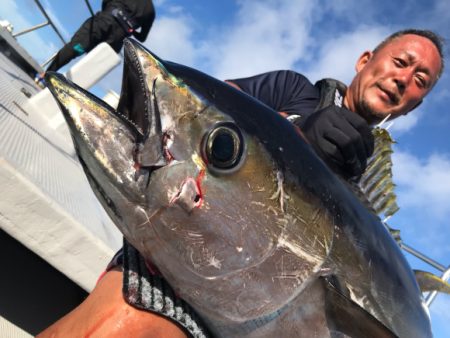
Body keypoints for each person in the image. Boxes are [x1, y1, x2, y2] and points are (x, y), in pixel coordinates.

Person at [37, 29, 444, 337]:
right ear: (365, 59)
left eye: (420, 79)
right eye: (400, 62)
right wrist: (298, 133)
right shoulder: (293, 89)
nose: (403, 78)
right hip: (178, 263)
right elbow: (212, 103)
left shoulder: (364, 182)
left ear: (415, 105)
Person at [37, 0, 155, 80]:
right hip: (117, 39)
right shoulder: (151, 11)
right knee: (92, 65)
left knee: (75, 48)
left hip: (104, 21)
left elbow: (105, 1)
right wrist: (130, 29)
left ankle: (46, 75)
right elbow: (142, 37)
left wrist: (107, 12)